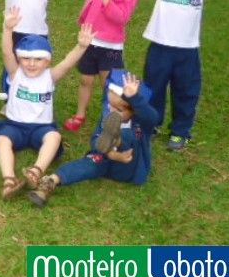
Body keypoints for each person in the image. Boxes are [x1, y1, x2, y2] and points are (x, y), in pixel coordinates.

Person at [0, 7, 95, 200]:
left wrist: (81, 47)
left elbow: (67, 64)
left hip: (41, 127)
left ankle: (35, 172)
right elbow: (6, 53)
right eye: (26, 58)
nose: (31, 63)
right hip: (15, 125)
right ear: (19, 59)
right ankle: (9, 180)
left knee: (54, 137)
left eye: (38, 59)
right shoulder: (15, 73)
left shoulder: (50, 76)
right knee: (1, 140)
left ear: (47, 62)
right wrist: (7, 28)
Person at [142, 0, 220, 151]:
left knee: (186, 91)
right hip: (160, 47)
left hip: (187, 50)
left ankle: (180, 131)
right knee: (153, 88)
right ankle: (151, 124)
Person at [28, 70, 159, 207]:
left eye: (119, 110)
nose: (111, 111)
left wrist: (135, 98)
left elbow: (152, 117)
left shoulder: (141, 124)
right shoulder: (108, 117)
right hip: (106, 159)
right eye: (109, 105)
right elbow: (95, 140)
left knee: (128, 135)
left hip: (129, 166)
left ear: (135, 111)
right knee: (87, 164)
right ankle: (51, 181)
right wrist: (111, 154)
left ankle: (116, 139)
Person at [64, 0, 138, 132]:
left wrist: (107, 1)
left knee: (108, 84)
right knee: (85, 80)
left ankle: (109, 116)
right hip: (89, 41)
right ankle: (80, 114)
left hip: (110, 47)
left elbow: (121, 18)